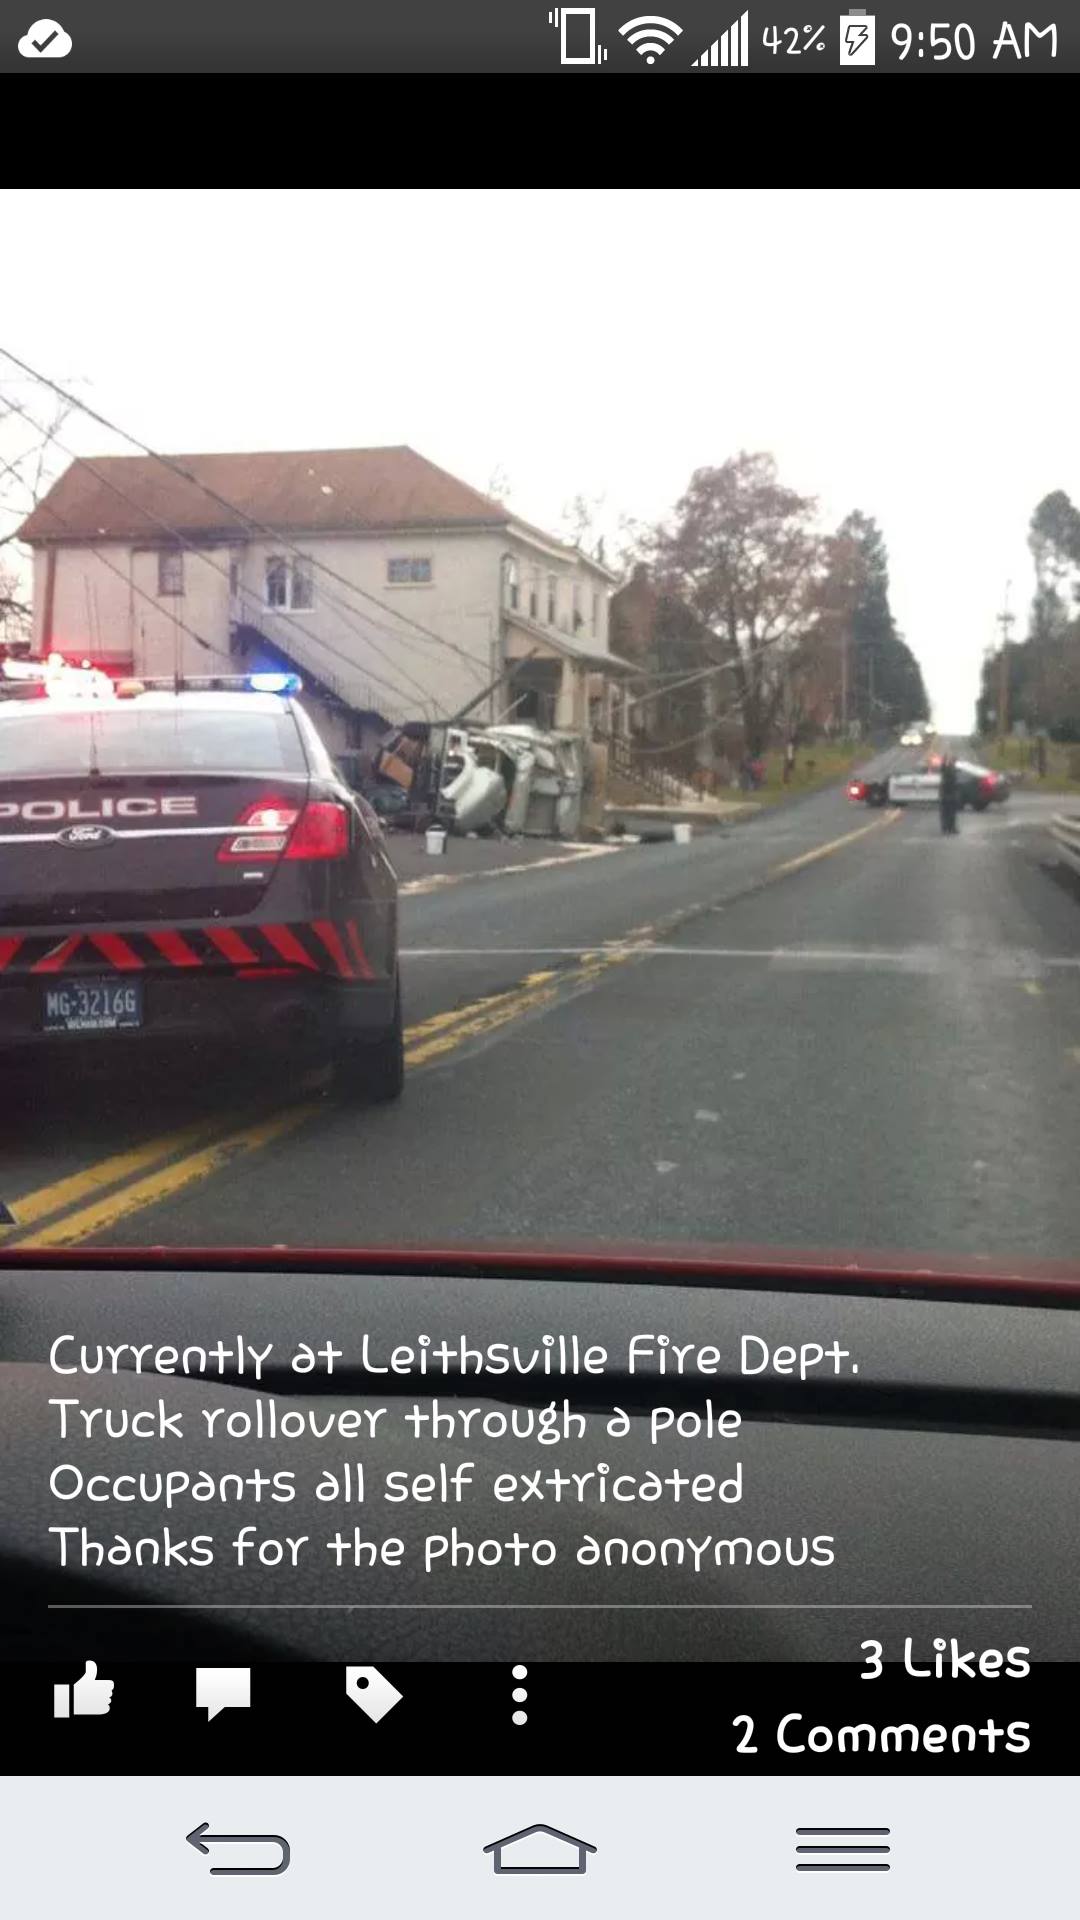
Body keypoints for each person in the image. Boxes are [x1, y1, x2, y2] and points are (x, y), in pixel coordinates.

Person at [939, 754, 959, 835]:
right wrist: (944, 760)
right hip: (948, 794)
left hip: (948, 794)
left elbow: (942, 768)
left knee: (948, 813)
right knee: (948, 813)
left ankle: (949, 828)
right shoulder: (949, 769)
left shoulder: (951, 769)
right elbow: (943, 768)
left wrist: (944, 760)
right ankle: (948, 828)